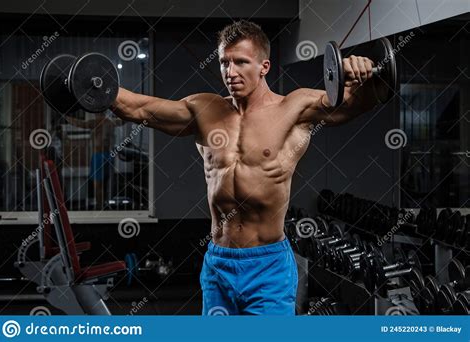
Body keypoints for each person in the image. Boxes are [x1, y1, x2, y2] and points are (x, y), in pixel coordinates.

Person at [110, 20, 378, 315]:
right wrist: (93, 84)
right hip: (218, 264)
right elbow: (140, 108)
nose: (230, 72)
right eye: (225, 62)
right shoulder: (205, 110)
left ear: (264, 66)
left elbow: (354, 105)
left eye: (241, 62)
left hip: (268, 266)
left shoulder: (294, 108)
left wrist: (364, 77)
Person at [65, 112, 123, 209]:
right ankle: (104, 204)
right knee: (105, 183)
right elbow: (123, 122)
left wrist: (66, 116)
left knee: (98, 184)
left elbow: (81, 124)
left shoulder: (97, 122)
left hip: (99, 155)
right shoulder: (111, 122)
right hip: (109, 155)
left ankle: (100, 207)